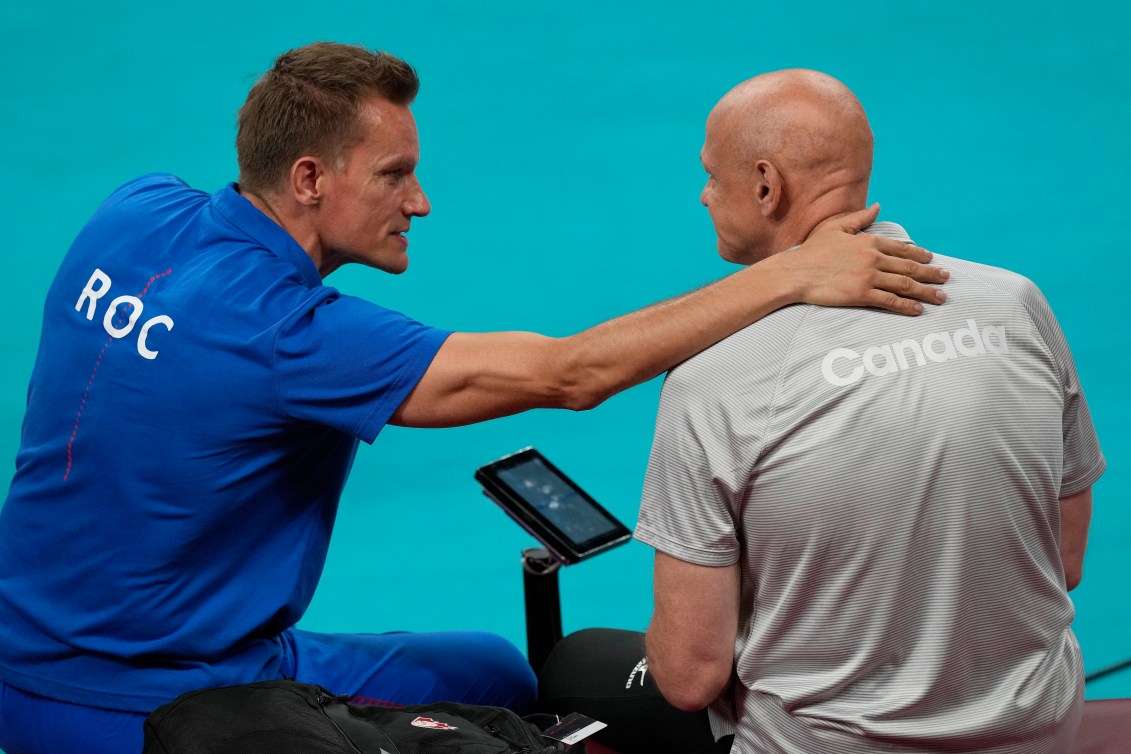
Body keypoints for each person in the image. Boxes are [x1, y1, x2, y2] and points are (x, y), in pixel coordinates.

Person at [0, 45, 947, 754]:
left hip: (33, 642)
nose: (419, 202)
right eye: (393, 175)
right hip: (143, 698)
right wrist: (794, 276)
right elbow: (566, 374)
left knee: (491, 669)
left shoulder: (134, 211)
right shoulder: (287, 335)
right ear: (307, 179)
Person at [538, 70, 1103, 753]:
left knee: (577, 660)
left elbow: (692, 676)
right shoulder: (1016, 303)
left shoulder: (711, 377)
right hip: (1039, 730)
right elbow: (1063, 560)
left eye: (712, 177)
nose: (703, 195)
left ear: (766, 187)